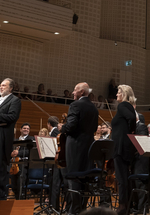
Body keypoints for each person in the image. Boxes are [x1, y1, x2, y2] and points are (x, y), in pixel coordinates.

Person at [61, 82, 98, 214]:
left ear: (82, 92)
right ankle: (83, 210)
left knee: (73, 178)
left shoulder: (75, 105)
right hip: (89, 148)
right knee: (85, 179)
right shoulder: (94, 108)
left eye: (75, 90)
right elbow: (94, 128)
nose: (72, 93)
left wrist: (62, 128)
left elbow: (70, 126)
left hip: (75, 147)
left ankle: (74, 211)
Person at [111, 85, 137, 215]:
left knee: (121, 178)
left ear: (124, 94)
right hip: (126, 146)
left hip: (120, 147)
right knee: (126, 177)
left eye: (118, 92)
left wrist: (130, 130)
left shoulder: (122, 106)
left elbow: (132, 120)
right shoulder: (130, 107)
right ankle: (127, 205)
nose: (116, 95)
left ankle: (122, 207)